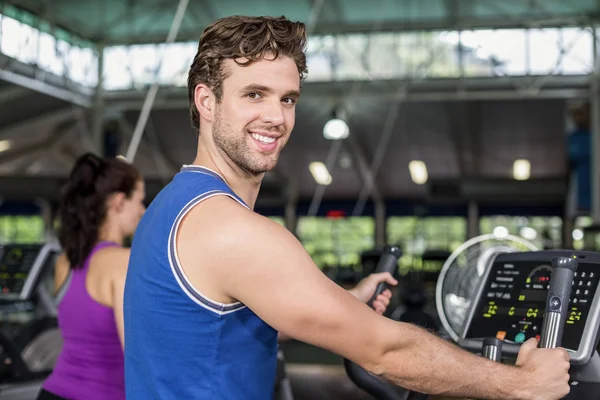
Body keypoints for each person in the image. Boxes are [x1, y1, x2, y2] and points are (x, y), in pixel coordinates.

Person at [123, 15, 571, 400]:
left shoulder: (171, 206)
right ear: (207, 100)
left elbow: (203, 334)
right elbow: (386, 351)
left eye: (287, 98)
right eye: (254, 94)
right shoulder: (233, 229)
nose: (276, 117)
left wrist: (346, 302)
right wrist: (522, 383)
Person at [38, 153, 146, 400]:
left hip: (54, 392)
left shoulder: (67, 260)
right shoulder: (123, 262)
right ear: (119, 202)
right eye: (139, 200)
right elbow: (137, 354)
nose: (143, 211)